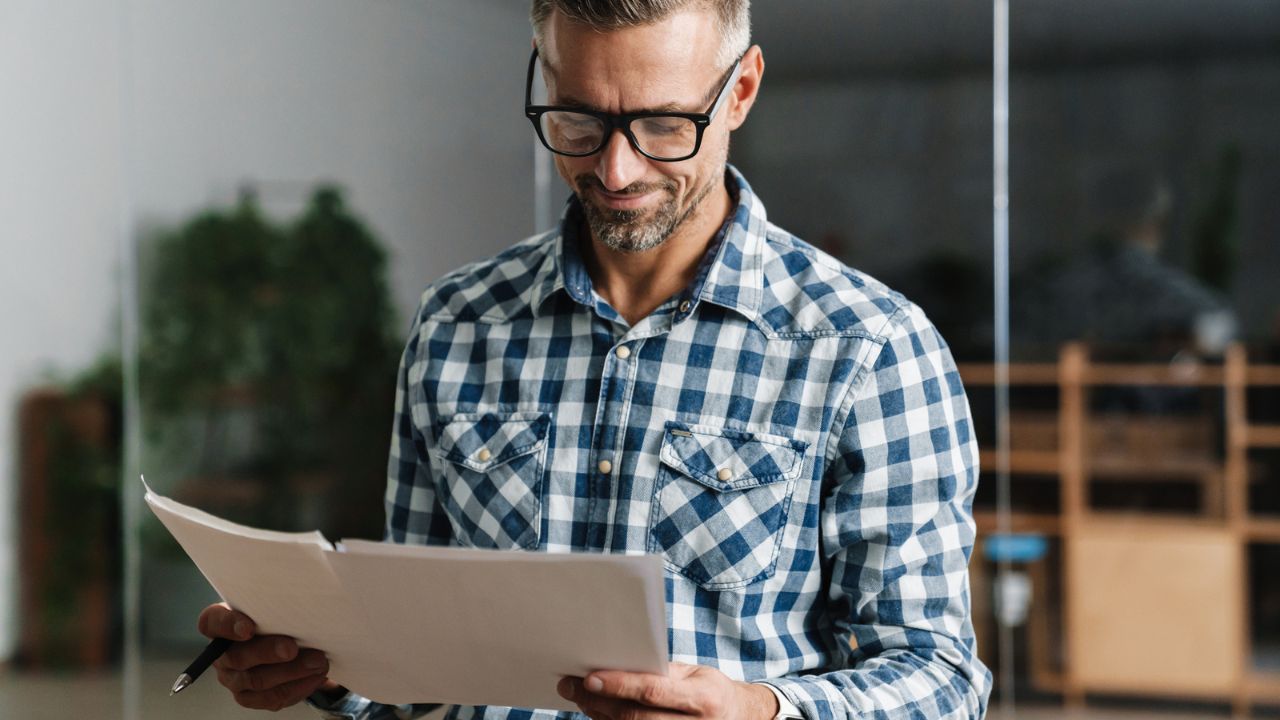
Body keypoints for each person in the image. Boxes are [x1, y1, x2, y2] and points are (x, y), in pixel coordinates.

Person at [196, 2, 992, 718]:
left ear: (741, 91)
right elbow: (420, 676)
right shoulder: (455, 325)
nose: (616, 170)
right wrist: (329, 674)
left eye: (664, 124)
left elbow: (942, 680)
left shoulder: (872, 349)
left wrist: (761, 712)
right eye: (577, 119)